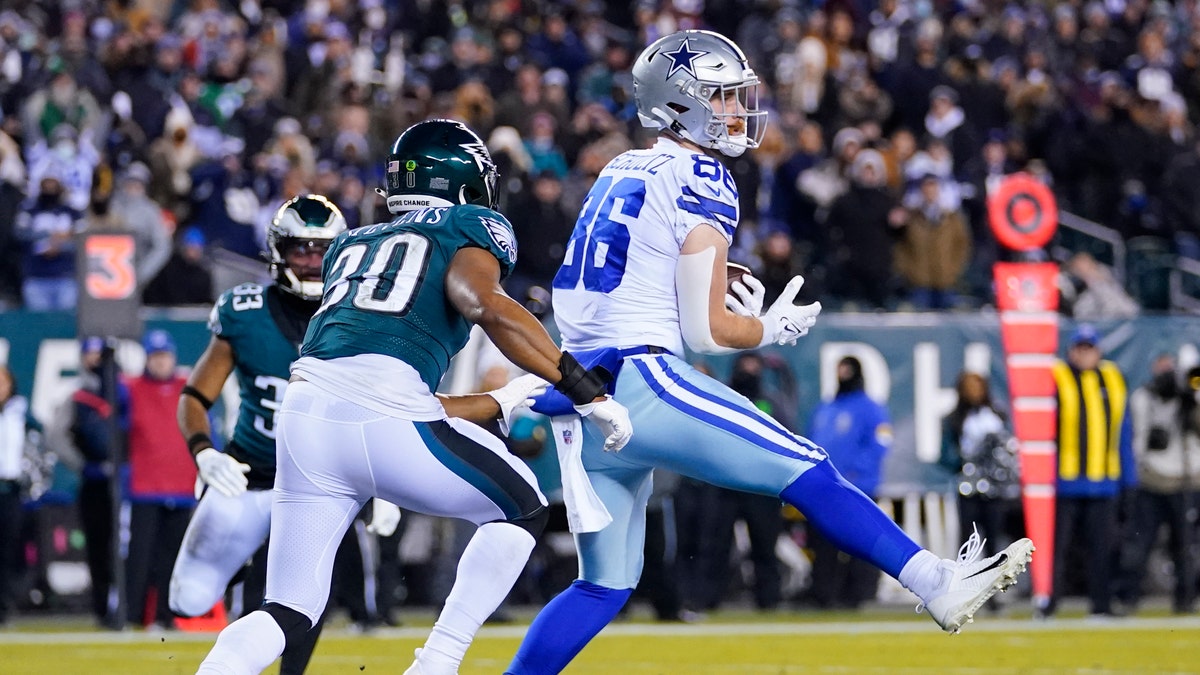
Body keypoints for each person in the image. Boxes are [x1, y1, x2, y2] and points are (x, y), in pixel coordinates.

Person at [506, 30, 1034, 675]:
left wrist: (710, 293)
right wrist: (768, 328)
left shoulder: (622, 166)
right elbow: (709, 335)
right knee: (807, 466)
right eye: (723, 97)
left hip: (583, 394)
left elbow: (627, 274)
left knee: (603, 585)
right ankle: (935, 582)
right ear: (682, 103)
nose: (736, 111)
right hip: (642, 381)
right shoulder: (701, 173)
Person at [195, 118, 632, 675]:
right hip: (383, 414)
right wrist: (584, 388)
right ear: (462, 179)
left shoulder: (353, 242)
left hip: (305, 416)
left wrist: (496, 403)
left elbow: (376, 387)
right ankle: (437, 663)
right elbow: (486, 306)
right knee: (521, 504)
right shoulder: (468, 224)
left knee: (288, 609)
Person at [170, 195, 386, 672]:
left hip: (318, 482)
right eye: (301, 249)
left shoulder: (363, 316)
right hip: (250, 474)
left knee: (302, 589)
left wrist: (383, 483)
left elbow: (383, 404)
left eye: (321, 250)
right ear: (277, 252)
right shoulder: (245, 312)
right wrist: (204, 452)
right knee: (188, 599)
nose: (311, 262)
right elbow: (195, 396)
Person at [1043, 324, 1137, 618]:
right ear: (1071, 350)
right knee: (1057, 549)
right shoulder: (1056, 377)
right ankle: (1048, 603)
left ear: (1098, 350)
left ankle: (1102, 604)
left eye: (1089, 348)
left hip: (1104, 480)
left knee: (1103, 548)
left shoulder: (1112, 378)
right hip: (1064, 481)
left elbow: (1124, 431)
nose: (1084, 354)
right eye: (1079, 348)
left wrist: (1129, 478)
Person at [804, 356, 892, 609]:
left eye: (847, 369)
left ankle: (859, 594)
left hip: (858, 488)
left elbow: (881, 443)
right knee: (823, 544)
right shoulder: (826, 408)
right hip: (825, 489)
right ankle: (824, 592)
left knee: (860, 542)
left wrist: (856, 472)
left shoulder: (870, 408)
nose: (843, 374)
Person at [123, 329, 196, 630]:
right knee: (139, 555)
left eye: (164, 356)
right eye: (154, 357)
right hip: (144, 486)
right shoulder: (129, 389)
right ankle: (131, 614)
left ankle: (167, 615)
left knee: (174, 557)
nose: (160, 363)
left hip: (181, 486)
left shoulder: (187, 386)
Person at [1115, 355, 1199, 614]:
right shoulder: (1144, 397)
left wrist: (1189, 403)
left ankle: (1185, 600)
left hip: (1185, 482)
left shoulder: (1189, 396)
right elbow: (1142, 439)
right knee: (1140, 543)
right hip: (1152, 480)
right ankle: (1128, 598)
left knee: (1184, 546)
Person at [939, 371, 1021, 558]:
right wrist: (963, 463)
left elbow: (1010, 447)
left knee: (995, 537)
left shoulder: (997, 415)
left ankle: (997, 578)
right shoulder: (954, 419)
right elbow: (945, 454)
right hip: (968, 489)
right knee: (967, 540)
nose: (973, 393)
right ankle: (964, 580)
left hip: (995, 489)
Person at [0, 364, 43, 625]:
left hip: (10, 488)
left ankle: (4, 606)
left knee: (8, 550)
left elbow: (40, 439)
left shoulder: (20, 412)